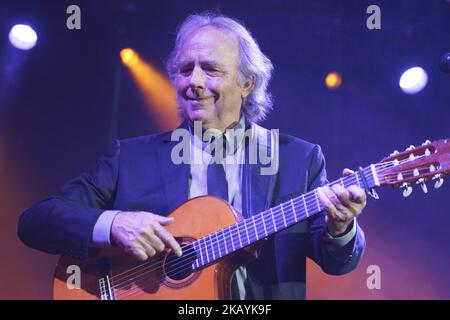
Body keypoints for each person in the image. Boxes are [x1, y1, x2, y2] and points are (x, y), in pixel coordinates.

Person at [18, 12, 366, 300]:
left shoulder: (297, 159)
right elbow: (37, 221)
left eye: (211, 69)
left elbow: (338, 263)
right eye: (185, 69)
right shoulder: (132, 158)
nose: (193, 82)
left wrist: (341, 227)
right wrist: (114, 225)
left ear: (247, 83)